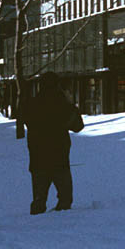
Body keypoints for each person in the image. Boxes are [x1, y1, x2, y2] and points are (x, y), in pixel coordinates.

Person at [20, 72, 84, 215]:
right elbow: (78, 126)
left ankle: (33, 228)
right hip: (59, 158)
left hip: (38, 158)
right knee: (65, 199)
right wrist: (71, 104)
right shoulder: (62, 104)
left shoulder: (32, 104)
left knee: (38, 200)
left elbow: (27, 120)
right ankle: (58, 228)